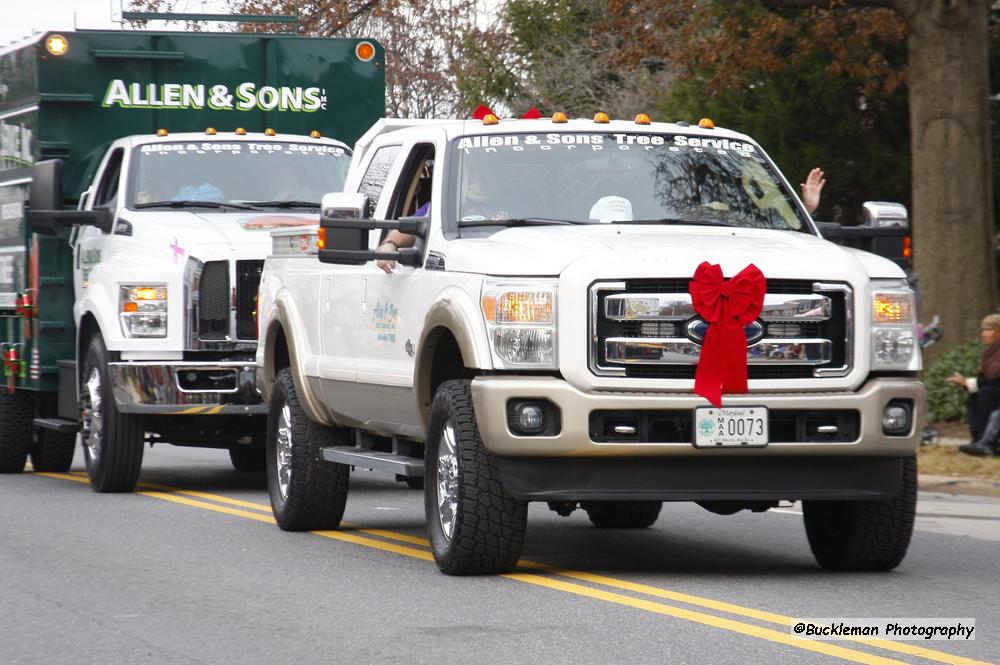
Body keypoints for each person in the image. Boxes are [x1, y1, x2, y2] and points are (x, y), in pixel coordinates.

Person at [948, 313, 1000, 456]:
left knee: (987, 392)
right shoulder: (989, 353)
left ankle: (988, 443)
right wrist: (968, 384)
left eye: (987, 330)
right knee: (975, 395)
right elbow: (986, 379)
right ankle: (978, 440)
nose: (983, 334)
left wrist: (969, 382)